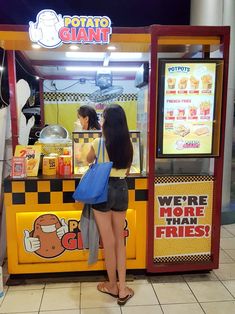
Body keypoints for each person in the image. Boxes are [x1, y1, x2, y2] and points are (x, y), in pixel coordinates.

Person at [86, 104, 134, 306]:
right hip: (122, 189)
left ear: (106, 122)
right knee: (119, 242)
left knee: (109, 242)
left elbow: (87, 160)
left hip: (102, 191)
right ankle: (123, 289)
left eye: (103, 118)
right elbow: (128, 171)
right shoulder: (128, 144)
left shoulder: (99, 143)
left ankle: (111, 285)